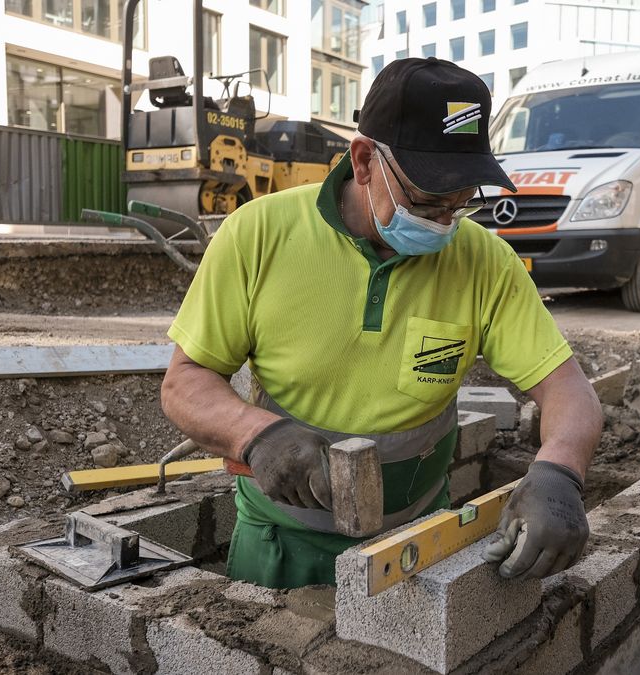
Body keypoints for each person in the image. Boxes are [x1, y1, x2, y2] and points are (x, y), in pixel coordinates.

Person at [160, 58, 602, 588]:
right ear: (365, 160)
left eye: (461, 203)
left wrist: (559, 472)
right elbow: (185, 382)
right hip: (282, 545)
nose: (444, 222)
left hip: (417, 547)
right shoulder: (257, 235)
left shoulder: (484, 263)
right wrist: (255, 434)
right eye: (428, 200)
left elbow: (567, 390)